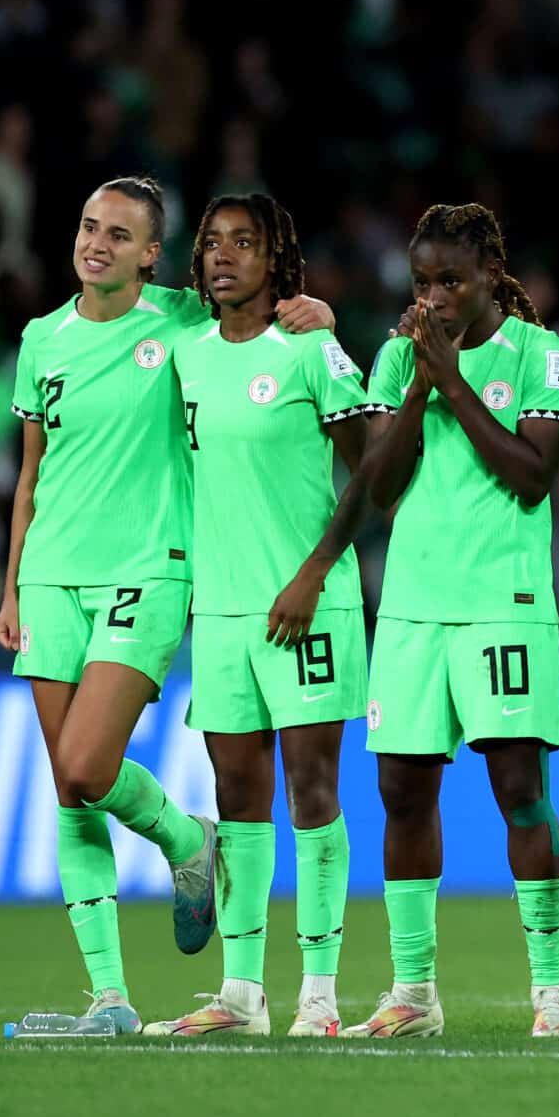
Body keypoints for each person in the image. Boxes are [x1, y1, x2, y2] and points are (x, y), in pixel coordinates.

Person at [0, 175, 333, 1034]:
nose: (95, 242)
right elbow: (30, 472)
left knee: (84, 765)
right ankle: (109, 995)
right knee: (69, 795)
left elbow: (260, 312)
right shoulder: (42, 339)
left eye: (119, 234)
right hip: (49, 577)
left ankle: (188, 839)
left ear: (151, 253)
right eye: (87, 226)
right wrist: (10, 584)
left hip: (149, 568)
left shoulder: (182, 320)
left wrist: (316, 313)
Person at [293, 204, 559, 1039]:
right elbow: (380, 485)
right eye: (423, 282)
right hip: (413, 608)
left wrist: (452, 380)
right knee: (401, 793)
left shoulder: (541, 355)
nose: (436, 296)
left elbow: (531, 475)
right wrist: (418, 384)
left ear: (492, 273)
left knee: (520, 790)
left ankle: (552, 992)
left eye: (451, 279)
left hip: (504, 604)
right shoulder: (393, 360)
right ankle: (414, 987)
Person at [142, 194, 369, 1039]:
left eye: (246, 241)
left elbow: (373, 472)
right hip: (226, 610)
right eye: (211, 244)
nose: (225, 255)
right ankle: (242, 994)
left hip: (307, 603)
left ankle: (319, 992)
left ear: (278, 259)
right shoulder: (184, 353)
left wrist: (312, 572)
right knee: (238, 796)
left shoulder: (312, 349)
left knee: (312, 791)